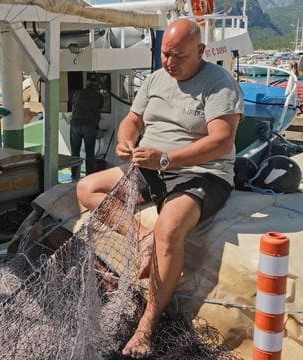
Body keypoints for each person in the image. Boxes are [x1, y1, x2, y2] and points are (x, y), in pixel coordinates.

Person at [76, 19, 242, 358]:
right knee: (85, 188)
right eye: (165, 54)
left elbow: (223, 141)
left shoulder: (219, 83)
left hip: (200, 173)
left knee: (167, 230)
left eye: (179, 56)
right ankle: (139, 236)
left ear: (200, 52)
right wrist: (125, 141)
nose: (170, 62)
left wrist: (166, 159)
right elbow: (132, 120)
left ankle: (146, 326)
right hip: (151, 167)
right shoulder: (155, 79)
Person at [70, 74, 104, 180]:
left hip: (75, 124)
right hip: (89, 125)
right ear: (97, 86)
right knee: (90, 152)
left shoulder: (78, 93)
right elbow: (99, 110)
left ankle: (74, 175)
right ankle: (89, 177)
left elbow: (74, 105)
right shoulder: (99, 96)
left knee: (75, 152)